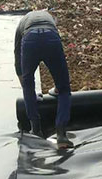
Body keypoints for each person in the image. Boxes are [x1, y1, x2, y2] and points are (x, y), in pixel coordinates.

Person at [14, 9, 73, 149]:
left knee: (28, 85)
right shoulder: (50, 19)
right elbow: (58, 59)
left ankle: (36, 129)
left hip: (30, 39)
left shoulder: (22, 23)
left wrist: (28, 91)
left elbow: (18, 60)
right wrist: (58, 87)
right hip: (50, 36)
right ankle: (61, 134)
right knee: (64, 90)